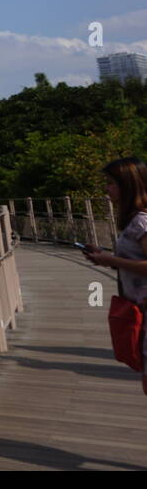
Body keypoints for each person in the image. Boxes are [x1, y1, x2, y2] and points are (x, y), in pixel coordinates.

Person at [85, 156, 147, 392]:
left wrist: (110, 259)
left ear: (128, 185)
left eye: (111, 183)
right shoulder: (135, 221)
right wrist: (105, 259)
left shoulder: (142, 221)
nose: (107, 188)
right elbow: (134, 261)